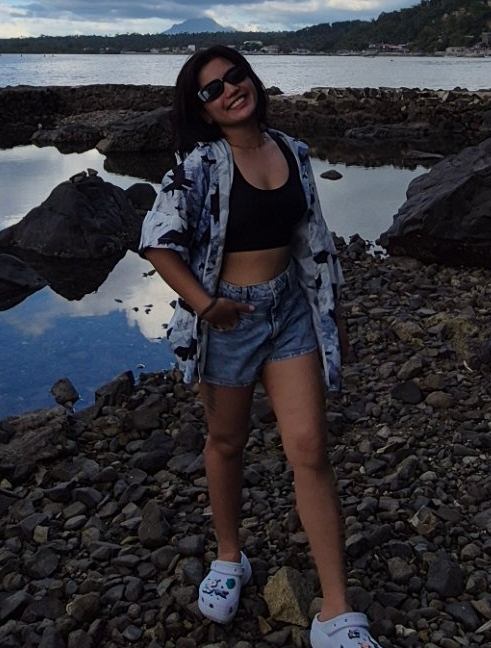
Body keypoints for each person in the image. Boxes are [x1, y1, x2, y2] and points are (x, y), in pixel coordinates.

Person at [139, 46, 385, 648]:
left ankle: (335, 610)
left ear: (251, 80)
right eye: (212, 89)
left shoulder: (293, 151)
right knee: (227, 441)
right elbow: (157, 241)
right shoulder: (199, 165)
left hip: (292, 311)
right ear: (203, 110)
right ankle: (230, 557)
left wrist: (333, 315)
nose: (229, 89)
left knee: (310, 448)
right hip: (229, 320)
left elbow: (314, 240)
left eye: (235, 76)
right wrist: (206, 305)